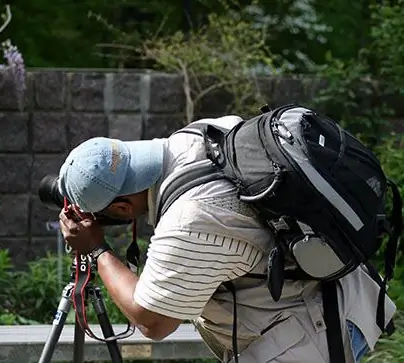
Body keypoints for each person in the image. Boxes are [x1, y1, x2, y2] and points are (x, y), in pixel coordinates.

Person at [56, 115, 396, 363]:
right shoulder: (200, 132)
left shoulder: (189, 221)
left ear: (120, 208)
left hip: (311, 339)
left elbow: (152, 321)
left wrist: (96, 247)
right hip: (348, 296)